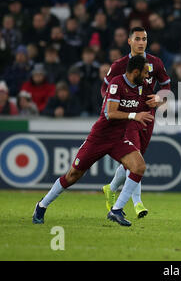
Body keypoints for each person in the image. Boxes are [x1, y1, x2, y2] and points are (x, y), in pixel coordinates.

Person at [32, 55, 155, 226]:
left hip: (119, 139)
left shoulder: (142, 87)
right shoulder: (116, 84)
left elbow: (154, 100)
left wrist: (158, 100)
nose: (147, 76)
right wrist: (135, 115)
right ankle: (42, 205)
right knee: (72, 176)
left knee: (139, 166)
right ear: (135, 71)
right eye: (145, 72)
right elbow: (109, 113)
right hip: (99, 138)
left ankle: (116, 210)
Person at [101, 27, 171, 219]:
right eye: (137, 39)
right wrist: (114, 107)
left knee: (133, 160)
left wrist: (159, 99)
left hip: (147, 117)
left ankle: (112, 187)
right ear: (129, 42)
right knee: (136, 157)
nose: (141, 42)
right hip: (127, 119)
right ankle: (137, 203)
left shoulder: (155, 63)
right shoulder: (119, 65)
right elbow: (104, 90)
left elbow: (166, 86)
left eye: (144, 39)